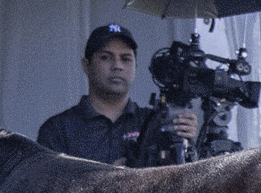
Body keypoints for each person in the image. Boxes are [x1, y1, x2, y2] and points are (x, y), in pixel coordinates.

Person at [35, 23, 195, 166]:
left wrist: (186, 141)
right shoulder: (58, 130)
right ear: (86, 65)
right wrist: (107, 181)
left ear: (135, 67)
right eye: (106, 57)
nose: (117, 66)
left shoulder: (155, 122)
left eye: (126, 59)